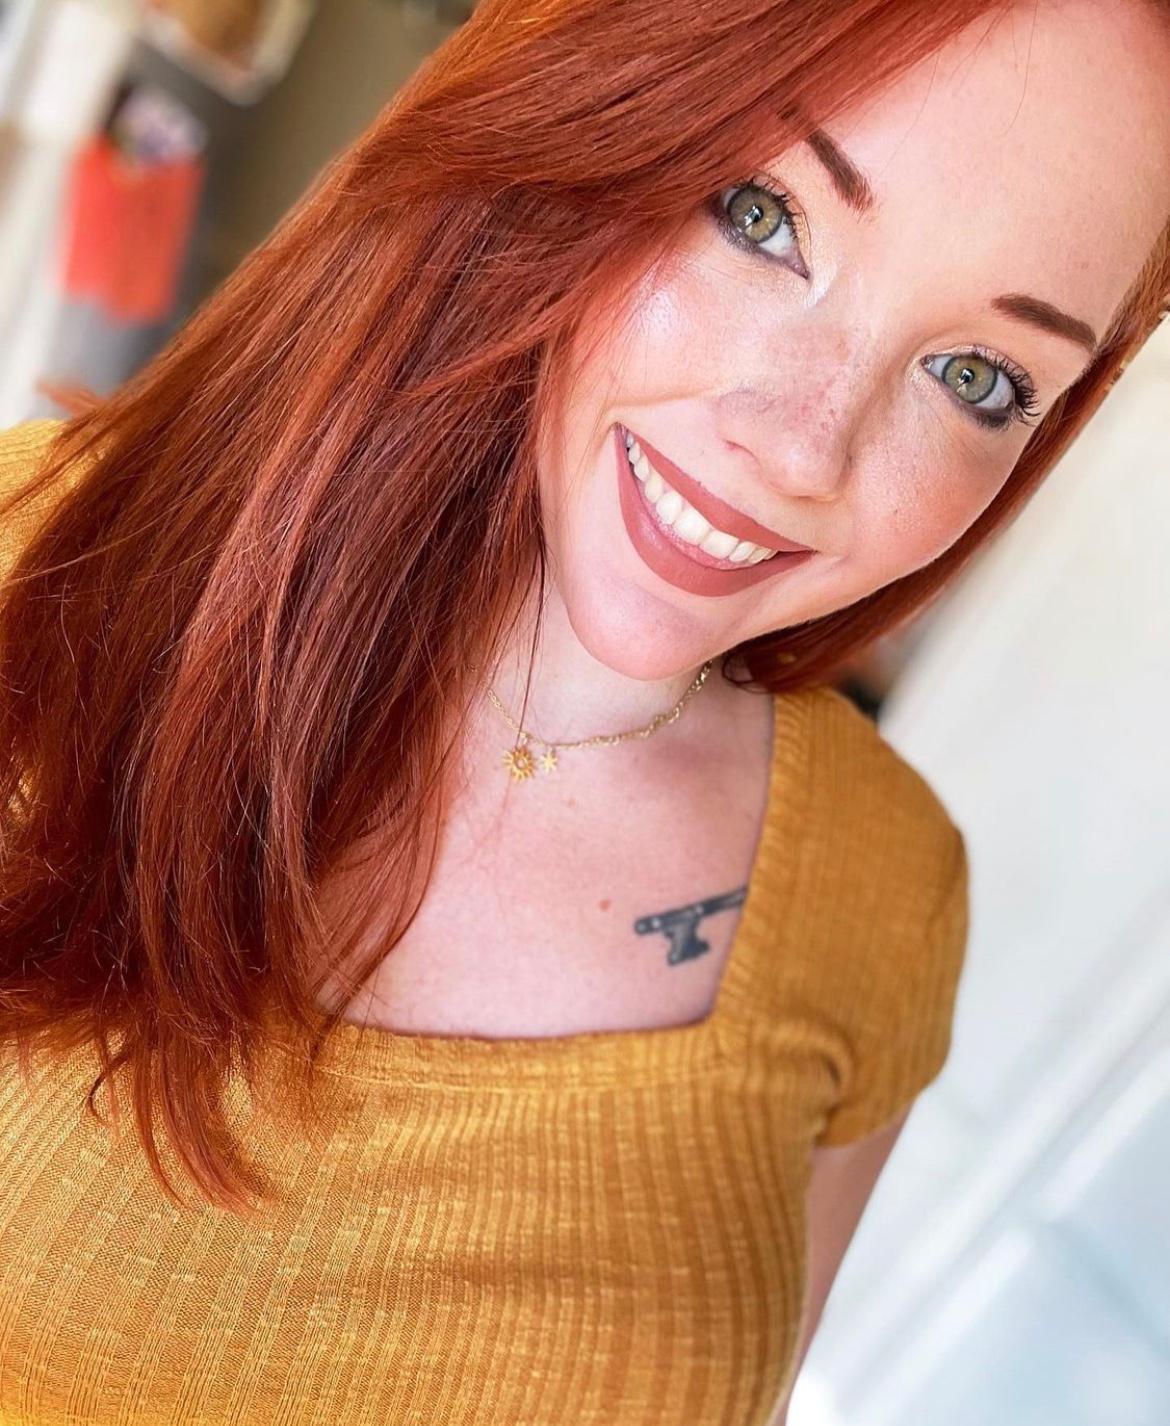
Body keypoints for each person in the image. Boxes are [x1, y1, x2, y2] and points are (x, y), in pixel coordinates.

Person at [0, 1, 1167, 1421]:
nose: (802, 448)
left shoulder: (881, 900)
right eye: (761, 217)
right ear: (577, 114)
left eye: (977, 377)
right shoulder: (28, 569)